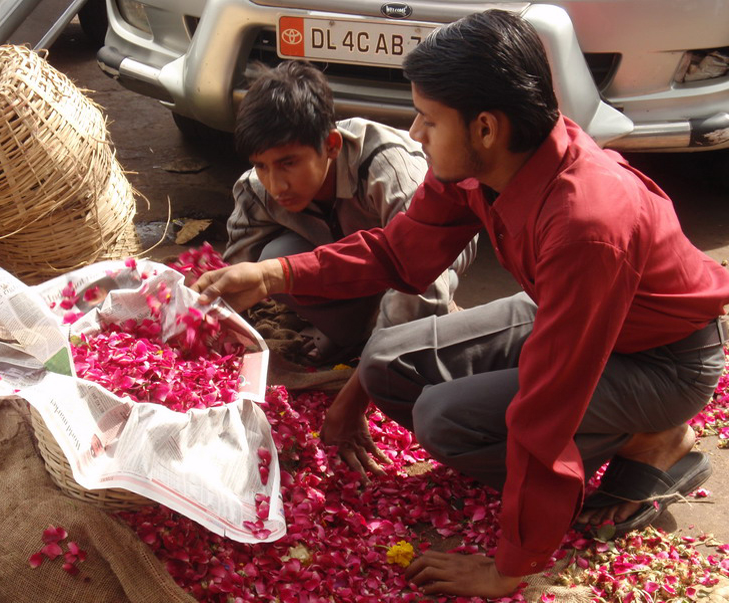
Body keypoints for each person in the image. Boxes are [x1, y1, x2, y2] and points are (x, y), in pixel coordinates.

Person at [193, 10, 729, 599]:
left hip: (662, 360)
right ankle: (617, 434)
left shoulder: (587, 224)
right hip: (564, 308)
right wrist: (272, 274)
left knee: (444, 419)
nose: (415, 132)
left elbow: (548, 406)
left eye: (428, 118)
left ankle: (649, 441)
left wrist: (509, 567)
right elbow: (400, 254)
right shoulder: (477, 169)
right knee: (384, 363)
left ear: (486, 129)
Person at [224, 60, 477, 366]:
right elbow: (235, 275)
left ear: (332, 145)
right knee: (273, 258)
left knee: (416, 303)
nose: (276, 185)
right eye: (261, 166)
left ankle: (401, 332)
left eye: (288, 163)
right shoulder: (256, 189)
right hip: (365, 262)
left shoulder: (391, 169)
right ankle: (351, 334)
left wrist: (372, 370)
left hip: (423, 258)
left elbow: (418, 266)